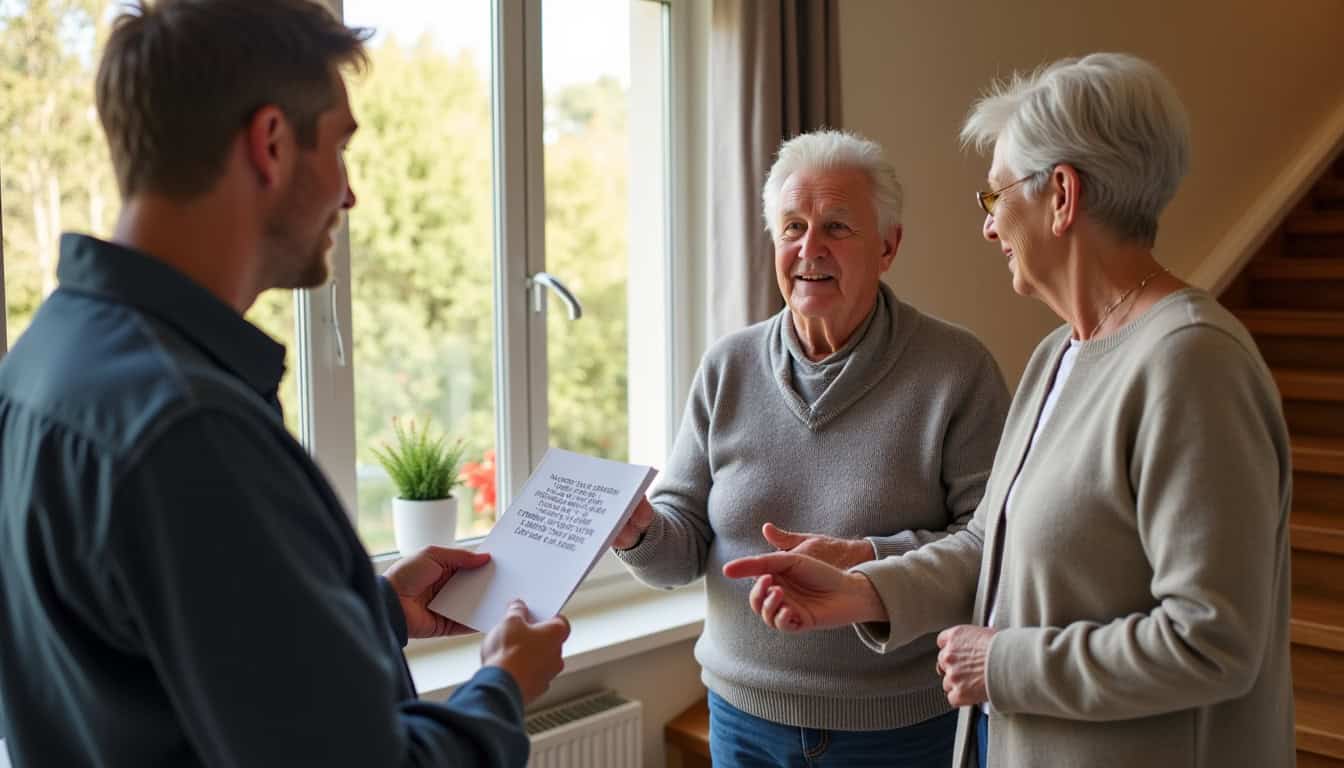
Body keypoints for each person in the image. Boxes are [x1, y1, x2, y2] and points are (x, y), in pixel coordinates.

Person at [0, 1, 570, 765]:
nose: (348, 194)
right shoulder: (189, 429)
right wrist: (503, 684)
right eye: (339, 148)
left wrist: (374, 609)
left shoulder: (45, 359)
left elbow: (161, 655)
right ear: (271, 144)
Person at [725, 53, 1295, 768]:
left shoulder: (1192, 363)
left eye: (995, 199)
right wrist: (862, 589)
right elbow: (988, 545)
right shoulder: (1059, 353)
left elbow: (1211, 641)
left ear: (1061, 195)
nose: (989, 228)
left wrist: (1003, 665)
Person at [612, 130, 1010, 766]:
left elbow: (993, 547)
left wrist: (864, 565)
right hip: (742, 720)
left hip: (900, 731)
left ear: (888, 246)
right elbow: (679, 551)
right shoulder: (727, 367)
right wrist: (636, 532)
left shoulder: (956, 370)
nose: (810, 248)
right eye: (793, 226)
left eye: (837, 227)